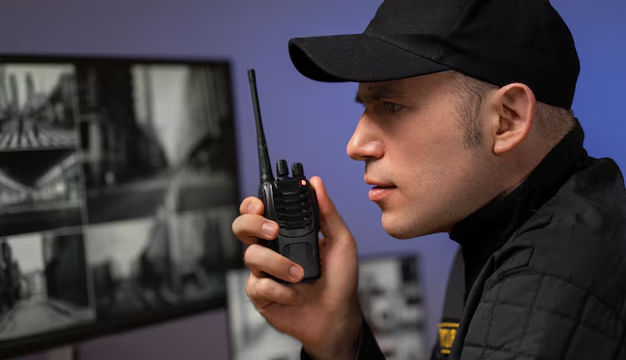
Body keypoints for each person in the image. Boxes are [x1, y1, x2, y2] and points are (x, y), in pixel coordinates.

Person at [231, 0, 626, 359]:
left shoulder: (545, 280)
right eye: (366, 107)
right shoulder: (499, 234)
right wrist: (337, 338)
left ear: (508, 119)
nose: (356, 144)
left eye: (391, 105)